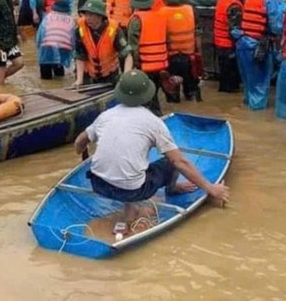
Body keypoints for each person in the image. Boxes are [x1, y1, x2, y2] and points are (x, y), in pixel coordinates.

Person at [73, 70, 230, 225]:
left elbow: (79, 142)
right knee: (169, 162)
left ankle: (130, 207)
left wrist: (82, 152)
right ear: (147, 95)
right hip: (133, 191)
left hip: (98, 185)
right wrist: (211, 189)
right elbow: (179, 162)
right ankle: (171, 189)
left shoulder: (106, 116)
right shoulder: (152, 122)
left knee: (131, 162)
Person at [231, 0, 286, 110]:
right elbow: (277, 27)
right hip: (258, 47)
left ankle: (245, 115)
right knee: (259, 86)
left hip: (242, 43)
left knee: (249, 84)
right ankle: (256, 116)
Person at [158, 0, 201, 103]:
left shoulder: (160, 13)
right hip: (189, 58)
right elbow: (198, 34)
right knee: (192, 93)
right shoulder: (191, 10)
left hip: (170, 59)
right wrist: (199, 55)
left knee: (172, 93)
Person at [127, 0, 168, 116]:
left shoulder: (136, 20)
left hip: (145, 64)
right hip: (161, 63)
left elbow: (133, 46)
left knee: (146, 98)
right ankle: (158, 116)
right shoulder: (160, 16)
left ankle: (152, 118)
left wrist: (133, 64)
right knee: (154, 93)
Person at [74, 0, 133, 86]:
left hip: (110, 75)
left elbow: (127, 55)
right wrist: (79, 80)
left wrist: (126, 77)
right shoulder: (80, 30)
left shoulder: (115, 31)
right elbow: (79, 55)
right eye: (86, 14)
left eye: (91, 15)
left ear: (100, 16)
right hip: (88, 74)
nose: (88, 18)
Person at [213, 0, 243, 93]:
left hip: (219, 41)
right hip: (228, 43)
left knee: (224, 72)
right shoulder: (234, 5)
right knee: (231, 74)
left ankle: (224, 92)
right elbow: (234, 29)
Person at [35, 0, 75, 79]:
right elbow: (73, 39)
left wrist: (39, 47)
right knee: (59, 75)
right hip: (63, 48)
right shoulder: (71, 20)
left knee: (46, 78)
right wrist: (72, 53)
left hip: (47, 47)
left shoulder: (47, 17)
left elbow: (40, 35)